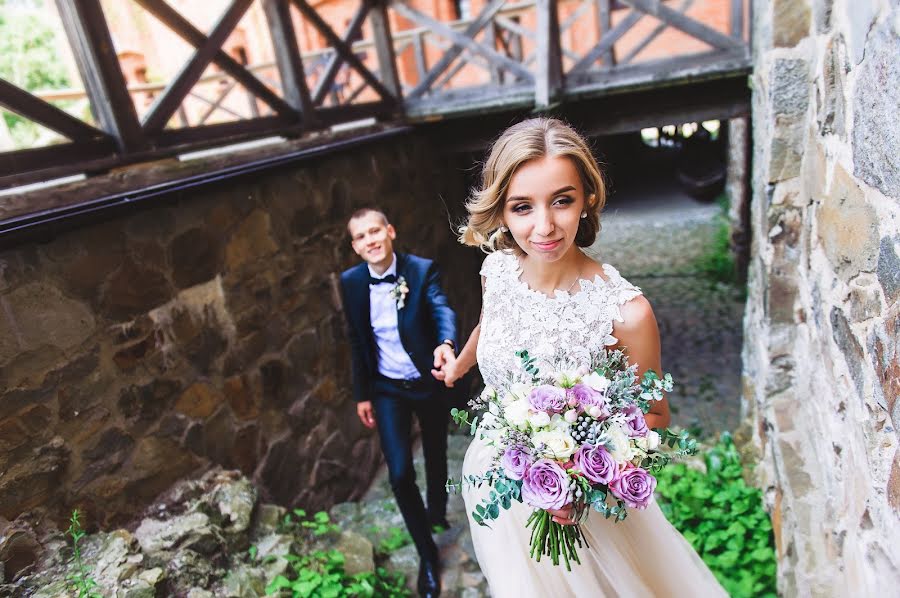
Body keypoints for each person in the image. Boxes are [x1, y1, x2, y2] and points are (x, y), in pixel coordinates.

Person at [435, 118, 727, 597]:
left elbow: (653, 418)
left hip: (584, 520)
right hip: (497, 490)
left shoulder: (626, 313)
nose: (544, 226)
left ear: (588, 197)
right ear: (502, 211)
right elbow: (493, 324)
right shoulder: (497, 271)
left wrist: (579, 480)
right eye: (522, 207)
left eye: (562, 200)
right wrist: (460, 364)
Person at [339, 207, 457, 598]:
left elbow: (441, 308)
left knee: (437, 451)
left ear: (390, 231)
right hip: (387, 388)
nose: (370, 240)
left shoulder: (421, 270)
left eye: (375, 231)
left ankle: (437, 510)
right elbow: (357, 341)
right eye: (361, 236)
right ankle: (427, 556)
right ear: (355, 247)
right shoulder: (351, 282)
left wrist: (446, 343)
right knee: (401, 473)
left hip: (428, 380)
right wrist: (362, 394)